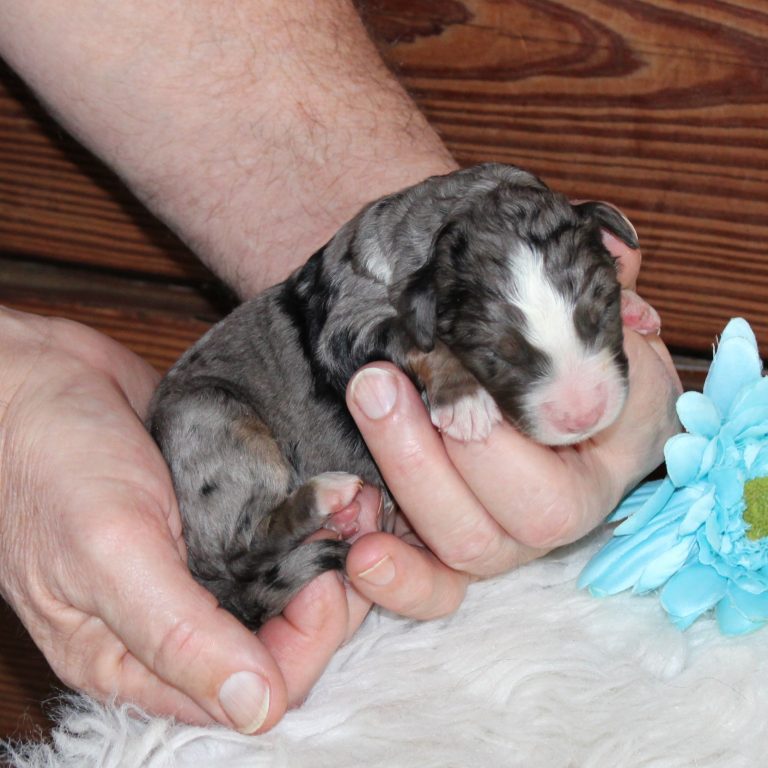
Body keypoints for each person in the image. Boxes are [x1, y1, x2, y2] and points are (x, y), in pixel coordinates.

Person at [0, 0, 681, 735]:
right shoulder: (393, 323)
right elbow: (353, 337)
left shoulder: (477, 243)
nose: (581, 401)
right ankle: (278, 537)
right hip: (236, 425)